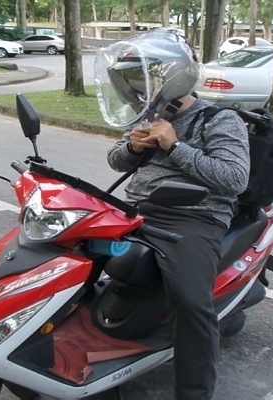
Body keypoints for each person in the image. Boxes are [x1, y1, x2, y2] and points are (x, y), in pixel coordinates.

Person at [96, 30, 251, 399]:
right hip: (135, 209)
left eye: (141, 78)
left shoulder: (219, 119)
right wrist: (133, 147)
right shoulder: (145, 115)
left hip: (193, 217)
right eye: (129, 80)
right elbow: (116, 160)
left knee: (191, 301)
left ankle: (194, 392)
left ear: (173, 77)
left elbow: (234, 178)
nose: (136, 88)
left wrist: (175, 145)